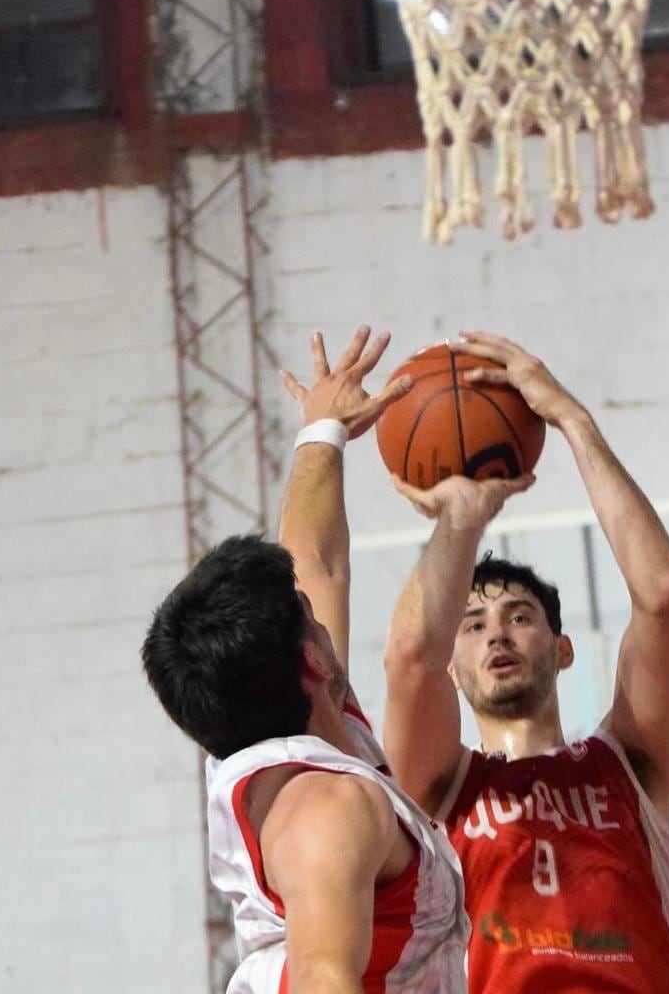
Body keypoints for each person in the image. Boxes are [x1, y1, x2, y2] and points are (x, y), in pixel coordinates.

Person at [142, 327, 511, 993]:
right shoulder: (324, 808)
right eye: (309, 617)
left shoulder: (286, 724)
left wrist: (323, 430)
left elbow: (314, 558)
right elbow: (322, 980)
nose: (318, 611)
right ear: (311, 659)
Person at [383, 331, 669, 993]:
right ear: (452, 664)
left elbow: (662, 595)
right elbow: (409, 653)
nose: (497, 633)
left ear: (561, 649)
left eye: (519, 616)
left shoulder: (628, 767)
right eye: (472, 625)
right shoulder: (436, 788)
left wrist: (572, 422)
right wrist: (459, 521)